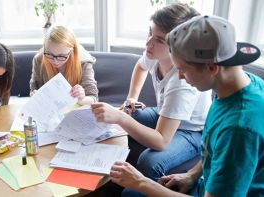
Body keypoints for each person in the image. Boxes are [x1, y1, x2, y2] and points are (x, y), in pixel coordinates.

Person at [110, 15, 263, 197]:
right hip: (203, 183)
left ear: (212, 68)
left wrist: (141, 182)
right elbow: (214, 149)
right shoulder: (239, 84)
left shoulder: (239, 129)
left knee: (131, 193)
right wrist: (191, 175)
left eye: (183, 69)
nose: (180, 76)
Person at [92, 3, 212, 183]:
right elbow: (140, 67)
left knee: (149, 160)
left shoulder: (181, 83)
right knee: (131, 113)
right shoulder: (153, 53)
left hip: (190, 130)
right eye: (150, 33)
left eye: (159, 40)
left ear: (178, 46)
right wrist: (132, 97)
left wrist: (120, 118)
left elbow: (161, 141)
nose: (148, 43)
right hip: (164, 113)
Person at [30, 25, 98, 105]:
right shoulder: (39, 59)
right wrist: (35, 95)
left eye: (61, 56)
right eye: (50, 54)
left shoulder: (84, 61)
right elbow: (34, 89)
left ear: (72, 50)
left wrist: (80, 99)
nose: (55, 61)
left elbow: (93, 98)